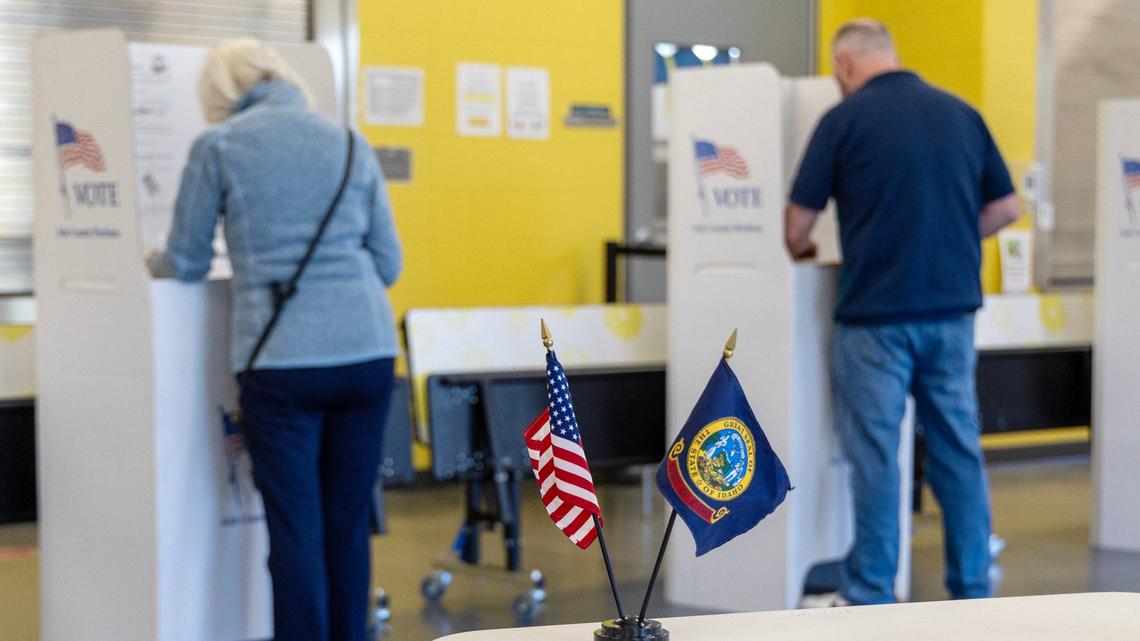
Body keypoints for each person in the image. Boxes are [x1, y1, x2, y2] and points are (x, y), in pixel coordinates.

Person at [147, 39, 402, 641]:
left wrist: (148, 260)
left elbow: (183, 261)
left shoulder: (219, 147)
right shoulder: (349, 143)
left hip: (282, 363)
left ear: (219, 94)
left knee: (295, 531)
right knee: (346, 524)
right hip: (368, 354)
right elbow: (388, 265)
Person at [785, 19, 1020, 606]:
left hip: (874, 321)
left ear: (844, 65)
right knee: (958, 452)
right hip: (952, 317)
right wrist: (948, 237)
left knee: (876, 459)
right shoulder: (961, 113)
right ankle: (971, 590)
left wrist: (808, 253)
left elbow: (796, 227)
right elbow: (1007, 207)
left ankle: (870, 594)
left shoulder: (842, 121)